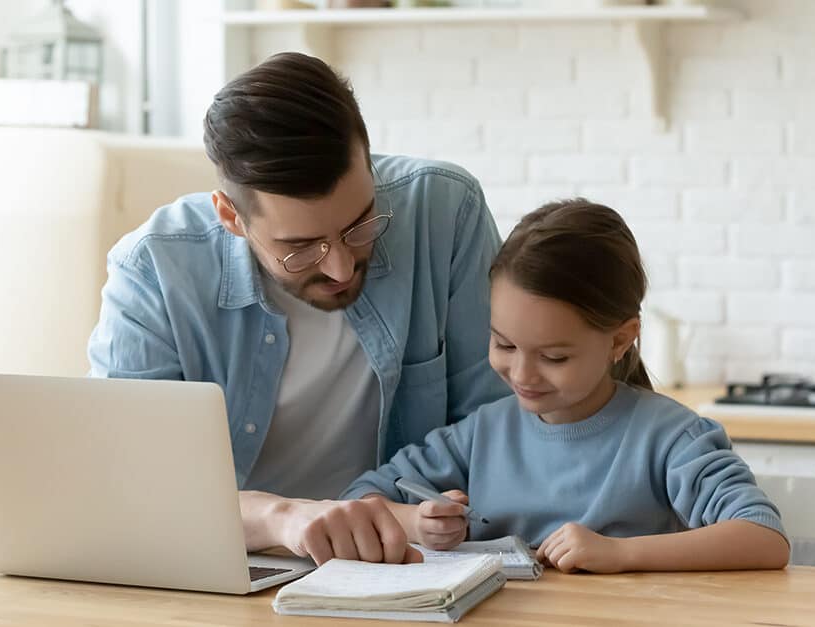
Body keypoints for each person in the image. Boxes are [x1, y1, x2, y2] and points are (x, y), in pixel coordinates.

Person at [86, 52, 510, 565]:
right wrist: (283, 517)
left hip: (408, 564)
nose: (341, 268)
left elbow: (499, 425)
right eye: (302, 246)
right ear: (230, 216)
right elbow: (133, 484)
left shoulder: (444, 212)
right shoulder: (153, 270)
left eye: (361, 223)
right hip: (235, 568)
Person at [341, 198, 790, 573]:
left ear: (619, 340)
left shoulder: (672, 437)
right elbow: (357, 499)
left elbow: (764, 537)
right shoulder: (481, 433)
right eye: (504, 344)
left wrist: (620, 552)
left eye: (554, 357)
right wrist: (418, 522)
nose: (521, 375)